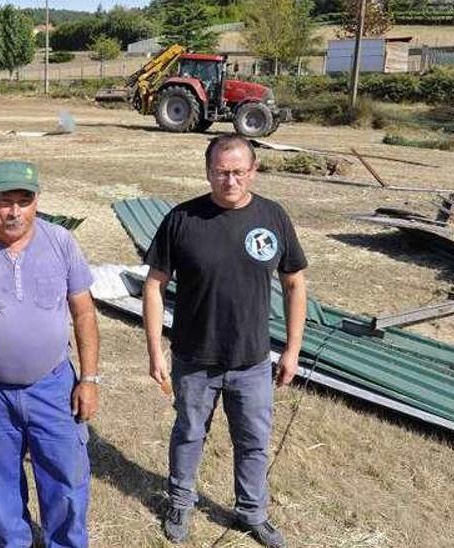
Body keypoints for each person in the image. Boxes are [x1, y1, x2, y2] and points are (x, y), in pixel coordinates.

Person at [143, 134, 308, 548]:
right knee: (188, 433)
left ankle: (252, 511)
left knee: (253, 441)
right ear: (208, 171)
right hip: (194, 358)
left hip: (251, 360)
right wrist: (154, 348)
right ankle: (181, 501)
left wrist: (292, 348)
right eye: (220, 172)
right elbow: (153, 285)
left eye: (238, 171)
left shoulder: (273, 217)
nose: (229, 180)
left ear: (253, 171)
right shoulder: (182, 219)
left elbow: (294, 285)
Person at [0, 160, 101, 548]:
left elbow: (84, 312)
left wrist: (89, 380)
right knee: (1, 476)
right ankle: (14, 542)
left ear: (36, 202)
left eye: (23, 201)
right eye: (4, 200)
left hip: (54, 385)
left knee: (65, 476)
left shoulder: (61, 242)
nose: (14, 211)